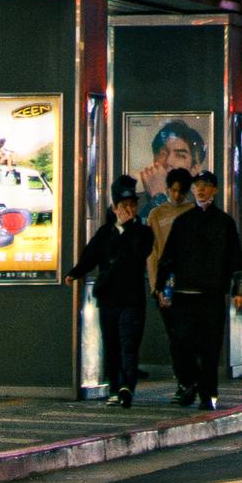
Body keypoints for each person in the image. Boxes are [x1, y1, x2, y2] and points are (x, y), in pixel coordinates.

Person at [148, 164, 242, 413]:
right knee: (181, 343)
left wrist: (240, 290)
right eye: (197, 187)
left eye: (205, 187)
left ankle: (207, 393)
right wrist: (160, 287)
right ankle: (192, 382)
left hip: (211, 294)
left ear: (215, 190)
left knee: (210, 347)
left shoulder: (224, 222)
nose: (200, 191)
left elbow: (236, 260)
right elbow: (167, 257)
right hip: (183, 294)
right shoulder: (183, 221)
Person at [75, 173, 153, 406]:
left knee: (129, 343)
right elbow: (90, 257)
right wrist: (74, 273)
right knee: (111, 344)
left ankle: (127, 386)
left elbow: (139, 254)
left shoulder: (142, 232)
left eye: (132, 205)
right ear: (114, 207)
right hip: (108, 298)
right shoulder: (105, 233)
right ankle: (114, 387)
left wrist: (128, 229)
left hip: (132, 299)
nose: (128, 210)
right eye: (123, 206)